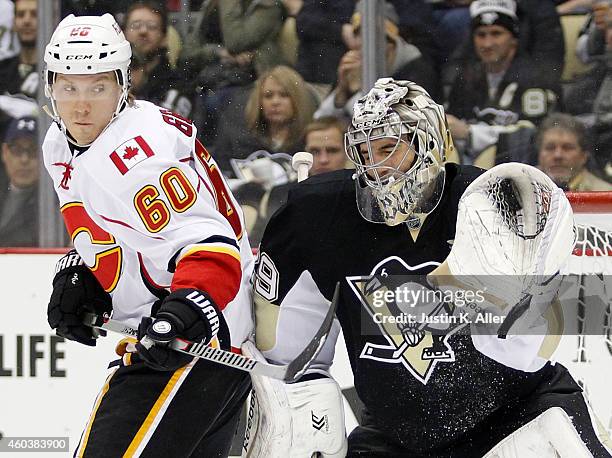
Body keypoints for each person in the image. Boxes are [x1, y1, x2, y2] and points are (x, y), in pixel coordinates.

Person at [244, 78, 612, 457]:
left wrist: (447, 302)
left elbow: (525, 351)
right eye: (365, 153)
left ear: (428, 143)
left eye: (388, 148)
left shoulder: (488, 203)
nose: (377, 167)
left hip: (516, 413)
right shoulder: (319, 216)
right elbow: (286, 353)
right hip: (397, 434)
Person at [41, 13, 253, 457]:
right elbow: (116, 227)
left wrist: (183, 314)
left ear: (122, 85)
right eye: (68, 87)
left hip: (196, 343)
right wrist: (81, 270)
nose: (80, 106)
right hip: (181, 338)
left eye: (97, 87)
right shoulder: (63, 142)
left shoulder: (133, 155)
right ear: (49, 86)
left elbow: (211, 246)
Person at [445, 0, 561, 160]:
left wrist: (469, 133)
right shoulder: (466, 76)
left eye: (496, 33)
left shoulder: (536, 78)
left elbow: (533, 135)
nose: (487, 43)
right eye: (481, 35)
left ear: (514, 39)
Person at [314, 1, 442, 121]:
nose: (362, 43)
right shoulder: (352, 66)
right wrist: (341, 93)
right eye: (358, 35)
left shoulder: (418, 69)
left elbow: (386, 126)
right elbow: (321, 121)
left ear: (391, 41)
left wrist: (358, 91)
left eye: (374, 35)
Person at [212, 65, 317, 176]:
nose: (275, 102)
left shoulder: (312, 141)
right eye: (268, 96)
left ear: (298, 99)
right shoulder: (240, 139)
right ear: (259, 102)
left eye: (284, 95)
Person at [123, 0, 192, 117]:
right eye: (135, 25)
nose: (143, 31)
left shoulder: (177, 85)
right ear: (123, 33)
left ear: (165, 37)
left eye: (152, 27)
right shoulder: (111, 81)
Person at [537, 113, 612, 191]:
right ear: (539, 154)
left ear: (584, 156)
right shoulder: (524, 190)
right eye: (550, 148)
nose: (558, 155)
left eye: (567, 148)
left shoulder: (605, 194)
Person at [0, 115, 38, 246]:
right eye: (17, 150)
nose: (24, 159)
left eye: (33, 150)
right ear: (4, 152)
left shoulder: (53, 206)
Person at [0, 0, 39, 99]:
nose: (27, 21)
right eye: (21, 15)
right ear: (13, 23)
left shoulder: (56, 72)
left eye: (34, 14)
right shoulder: (2, 69)